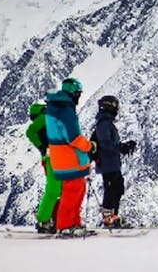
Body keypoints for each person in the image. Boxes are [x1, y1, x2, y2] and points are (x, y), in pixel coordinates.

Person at [45, 77, 96, 235]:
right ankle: (66, 226)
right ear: (74, 93)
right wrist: (90, 146)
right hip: (70, 158)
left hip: (59, 157)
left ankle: (74, 224)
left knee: (76, 190)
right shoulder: (66, 109)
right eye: (78, 93)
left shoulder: (54, 108)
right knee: (72, 192)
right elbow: (73, 137)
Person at [93, 95, 137, 228]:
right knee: (112, 188)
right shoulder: (104, 124)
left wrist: (123, 146)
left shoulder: (105, 123)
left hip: (110, 162)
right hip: (108, 163)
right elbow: (105, 143)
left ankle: (113, 216)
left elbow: (108, 143)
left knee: (116, 188)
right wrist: (121, 147)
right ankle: (109, 218)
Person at [25, 100, 63, 234]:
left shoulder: (45, 119)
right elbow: (30, 132)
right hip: (53, 158)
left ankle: (51, 220)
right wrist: (42, 147)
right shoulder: (44, 118)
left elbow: (31, 132)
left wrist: (41, 147)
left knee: (57, 189)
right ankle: (46, 220)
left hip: (51, 157)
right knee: (55, 190)